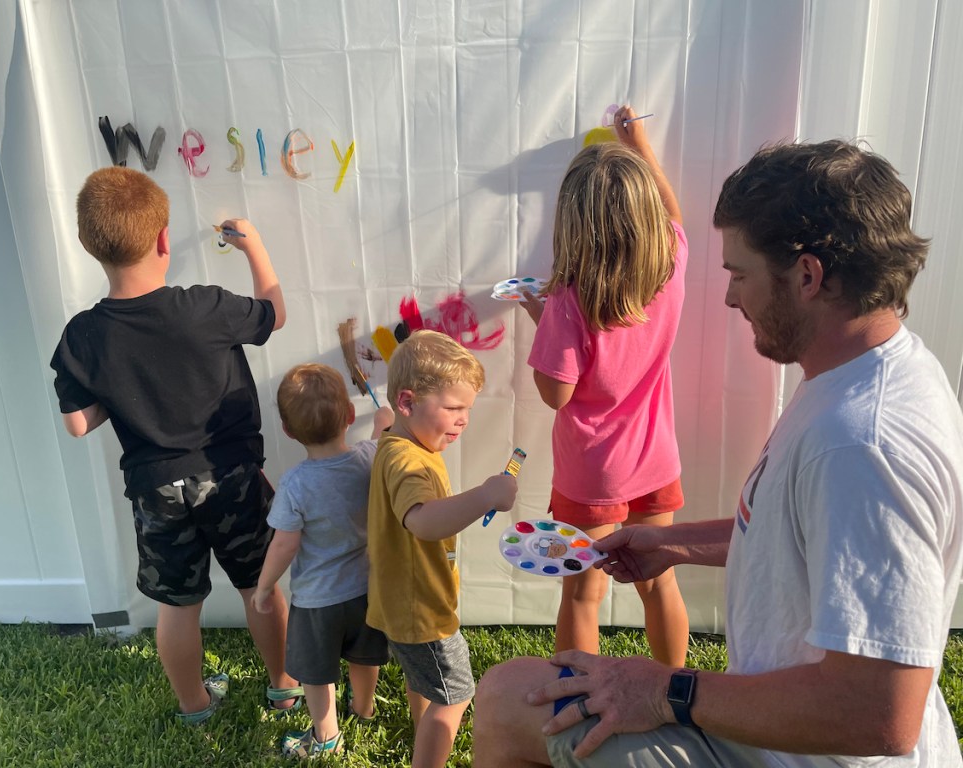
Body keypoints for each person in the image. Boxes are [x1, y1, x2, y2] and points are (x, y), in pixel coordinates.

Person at [473, 139, 963, 767]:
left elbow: (879, 716)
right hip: (776, 730)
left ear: (807, 277)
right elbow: (803, 532)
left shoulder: (862, 445)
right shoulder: (857, 375)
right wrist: (672, 544)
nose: (730, 298)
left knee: (511, 699)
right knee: (512, 688)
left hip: (797, 753)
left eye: (740, 276)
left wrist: (667, 689)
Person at [49, 166, 300, 724]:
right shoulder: (203, 306)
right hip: (230, 474)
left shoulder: (83, 335)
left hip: (156, 491)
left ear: (92, 247)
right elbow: (275, 315)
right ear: (164, 240)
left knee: (178, 605)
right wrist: (254, 245)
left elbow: (77, 423)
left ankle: (194, 704)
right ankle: (284, 685)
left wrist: (125, 390)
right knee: (259, 588)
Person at [518, 104, 689, 664]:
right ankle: (674, 689)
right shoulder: (671, 263)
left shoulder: (569, 301)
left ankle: (577, 700)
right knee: (658, 582)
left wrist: (541, 321)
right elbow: (672, 212)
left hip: (592, 471)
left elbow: (556, 393)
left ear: (572, 224)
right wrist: (639, 142)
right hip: (655, 458)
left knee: (583, 591)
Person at [367, 329, 519, 768]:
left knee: (427, 683)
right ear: (408, 403)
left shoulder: (398, 441)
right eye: (453, 408)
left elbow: (384, 431)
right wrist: (486, 495)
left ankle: (423, 736)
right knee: (456, 695)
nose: (463, 420)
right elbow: (423, 520)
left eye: (467, 409)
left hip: (398, 600)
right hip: (422, 609)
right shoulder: (409, 460)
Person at [251, 363, 395, 759]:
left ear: (288, 431)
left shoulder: (296, 483)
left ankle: (326, 736)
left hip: (317, 602)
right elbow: (383, 434)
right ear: (350, 417)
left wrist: (264, 588)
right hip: (368, 590)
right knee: (365, 656)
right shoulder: (370, 457)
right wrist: (384, 418)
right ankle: (363, 708)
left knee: (316, 673)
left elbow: (283, 546)